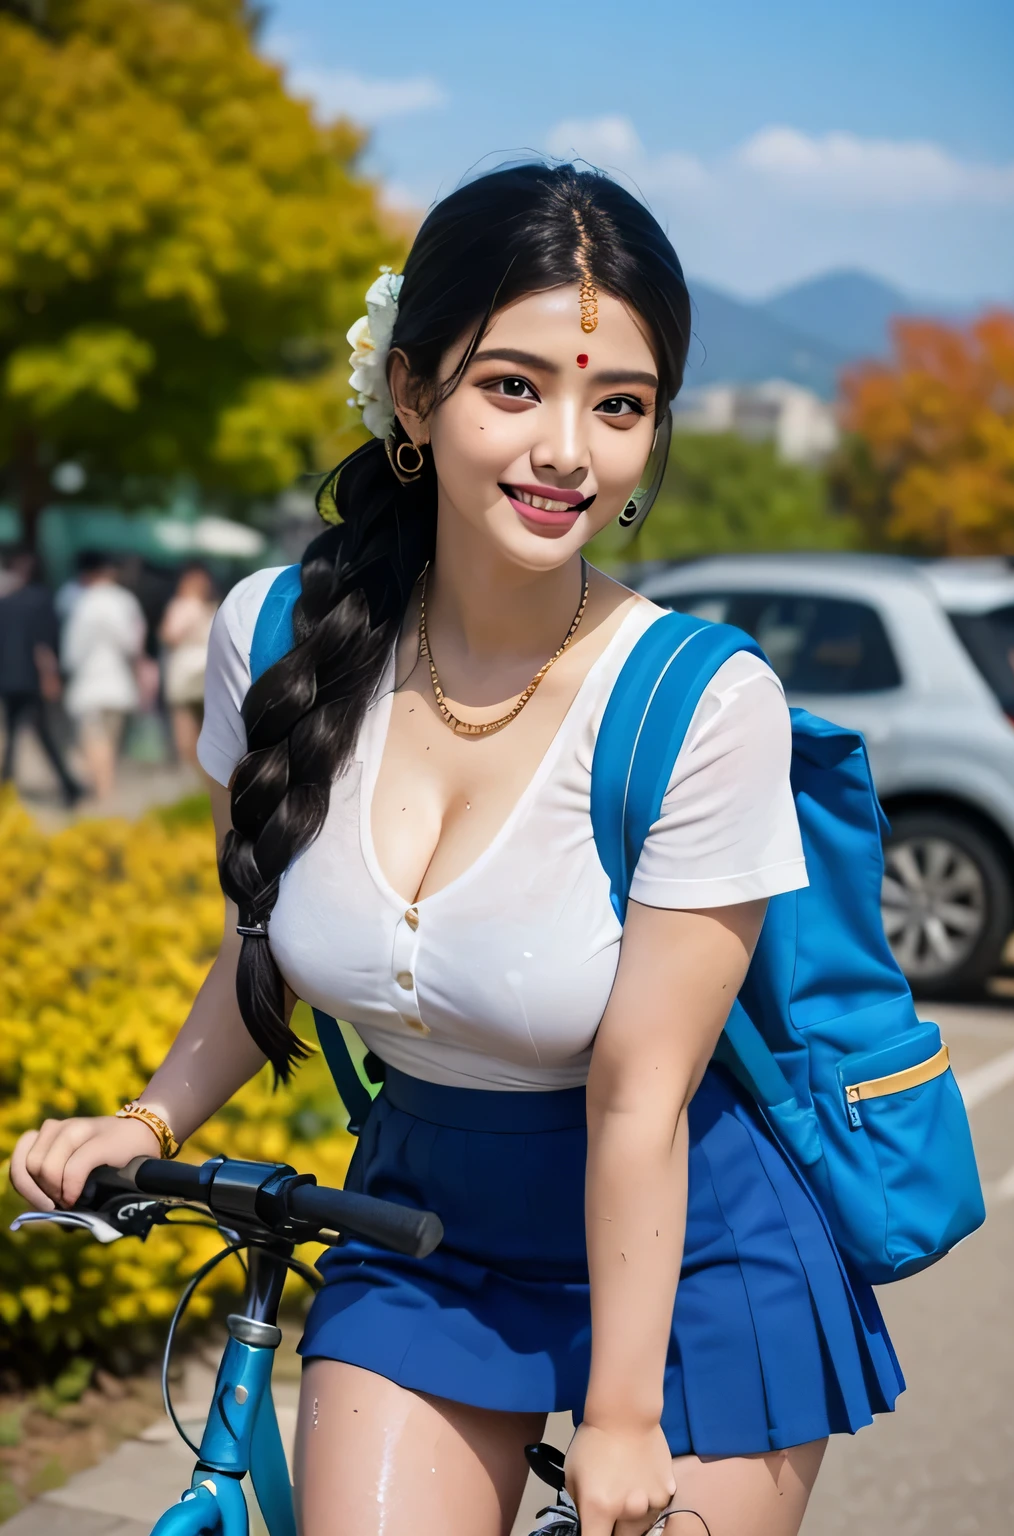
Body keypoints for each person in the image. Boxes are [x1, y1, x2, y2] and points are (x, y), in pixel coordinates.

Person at [11, 165, 903, 1536]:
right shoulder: (276, 640)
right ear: (414, 395)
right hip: (422, 1223)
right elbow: (258, 954)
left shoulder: (702, 704)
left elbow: (638, 1100)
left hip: (692, 1247)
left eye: (618, 405)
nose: (568, 450)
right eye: (513, 386)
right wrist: (141, 1124)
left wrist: (619, 1419)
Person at [60, 550, 146, 801]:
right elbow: (133, 643)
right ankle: (108, 790)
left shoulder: (82, 601)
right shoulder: (126, 601)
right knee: (111, 742)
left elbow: (72, 651)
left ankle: (103, 793)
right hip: (120, 685)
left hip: (89, 685)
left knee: (95, 741)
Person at [0, 548, 83, 806]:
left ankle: (7, 785)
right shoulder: (41, 599)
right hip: (30, 677)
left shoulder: (6, 601)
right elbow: (43, 645)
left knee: (15, 731)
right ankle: (68, 786)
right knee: (40, 731)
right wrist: (51, 677)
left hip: (7, 677)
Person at [158, 563, 218, 768]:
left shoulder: (181, 607)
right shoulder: (212, 609)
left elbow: (168, 636)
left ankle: (192, 767)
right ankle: (203, 768)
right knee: (205, 725)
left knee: (185, 723)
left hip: (185, 673)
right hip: (209, 672)